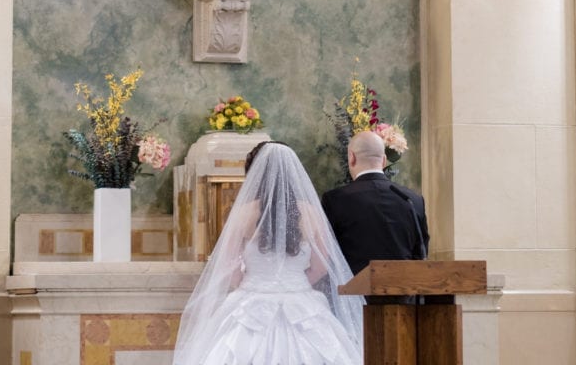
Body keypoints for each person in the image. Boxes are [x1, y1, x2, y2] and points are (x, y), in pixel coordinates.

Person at [172, 141, 363, 365]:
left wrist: (252, 283)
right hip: (301, 301)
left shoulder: (243, 213)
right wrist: (294, 282)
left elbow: (227, 265)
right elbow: (321, 265)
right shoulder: (311, 213)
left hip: (251, 300)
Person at [321, 130, 429, 278]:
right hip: (405, 296)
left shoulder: (335, 199)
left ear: (351, 157)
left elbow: (328, 256)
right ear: (384, 160)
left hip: (354, 296)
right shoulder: (413, 200)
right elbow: (421, 255)